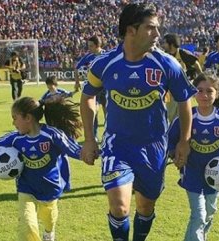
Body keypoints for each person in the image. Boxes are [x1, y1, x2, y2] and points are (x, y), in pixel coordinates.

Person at [80, 3, 197, 241]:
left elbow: (185, 102)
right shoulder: (105, 63)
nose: (157, 34)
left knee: (145, 207)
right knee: (120, 207)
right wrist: (90, 139)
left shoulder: (167, 64)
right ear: (131, 30)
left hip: (154, 147)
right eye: (150, 28)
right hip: (117, 145)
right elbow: (87, 97)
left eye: (157, 28)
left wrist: (184, 141)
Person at [168, 66, 219, 241]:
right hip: (191, 173)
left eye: (209, 91)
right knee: (198, 215)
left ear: (218, 94)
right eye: (199, 91)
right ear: (194, 92)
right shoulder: (186, 117)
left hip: (218, 177)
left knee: (209, 214)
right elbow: (170, 141)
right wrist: (175, 156)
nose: (204, 95)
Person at [0, 96, 84, 241]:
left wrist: (91, 153)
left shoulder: (51, 134)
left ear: (27, 118)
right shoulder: (16, 138)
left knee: (49, 219)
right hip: (26, 188)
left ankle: (49, 232)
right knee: (27, 224)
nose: (13, 123)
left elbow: (73, 149)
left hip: (50, 187)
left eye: (15, 118)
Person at [41, 75, 78, 192]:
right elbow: (40, 104)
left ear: (55, 84)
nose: (50, 87)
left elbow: (70, 94)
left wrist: (76, 89)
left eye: (51, 84)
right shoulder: (46, 96)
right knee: (55, 156)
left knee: (64, 155)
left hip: (63, 127)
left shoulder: (61, 92)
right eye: (48, 85)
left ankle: (66, 184)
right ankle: (56, 183)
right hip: (52, 129)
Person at [162, 33, 203, 123]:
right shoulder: (165, 56)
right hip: (170, 88)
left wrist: (201, 77)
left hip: (183, 87)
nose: (163, 45)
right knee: (170, 112)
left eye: (165, 43)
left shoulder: (182, 53)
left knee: (180, 111)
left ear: (172, 44)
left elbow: (195, 63)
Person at [74, 35, 106, 139]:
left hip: (106, 88)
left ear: (98, 45)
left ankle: (107, 135)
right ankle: (94, 136)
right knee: (94, 112)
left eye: (91, 46)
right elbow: (76, 68)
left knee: (108, 113)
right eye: (88, 46)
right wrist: (77, 82)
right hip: (94, 89)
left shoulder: (107, 56)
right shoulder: (88, 57)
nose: (89, 48)